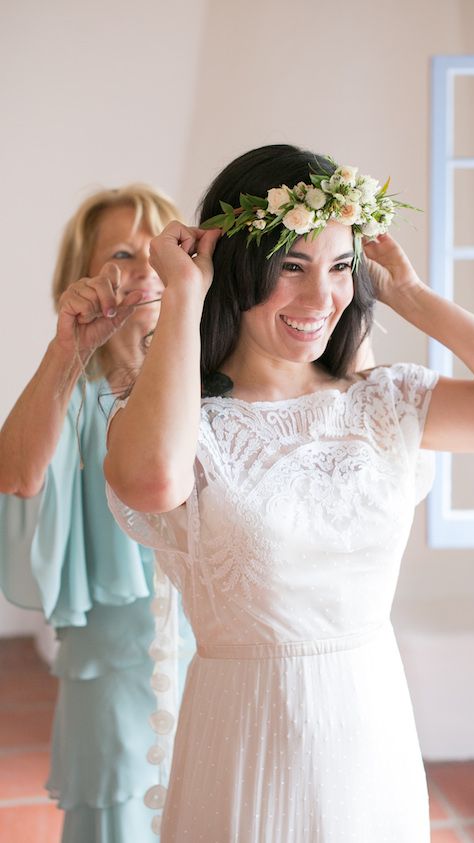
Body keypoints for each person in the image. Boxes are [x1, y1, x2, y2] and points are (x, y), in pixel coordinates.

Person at [104, 144, 474, 842]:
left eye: (341, 267)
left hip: (369, 731)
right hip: (248, 736)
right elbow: (153, 481)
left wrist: (409, 294)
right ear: (237, 269)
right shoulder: (186, 420)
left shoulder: (383, 400)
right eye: (292, 267)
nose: (321, 299)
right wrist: (184, 297)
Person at [0, 184, 193, 843]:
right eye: (121, 254)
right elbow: (18, 474)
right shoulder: (73, 393)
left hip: (210, 655)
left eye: (159, 251)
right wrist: (68, 348)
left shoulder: (206, 383)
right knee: (118, 813)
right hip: (108, 665)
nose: (146, 270)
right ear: (82, 278)